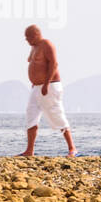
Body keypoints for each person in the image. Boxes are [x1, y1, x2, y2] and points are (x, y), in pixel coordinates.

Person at [20, 24, 76, 157]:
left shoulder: (47, 44)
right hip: (36, 87)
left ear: (36, 35)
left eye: (28, 37)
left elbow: (54, 64)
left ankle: (72, 148)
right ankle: (29, 151)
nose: (26, 40)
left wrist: (46, 84)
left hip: (49, 85)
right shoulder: (34, 47)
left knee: (57, 115)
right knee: (31, 115)